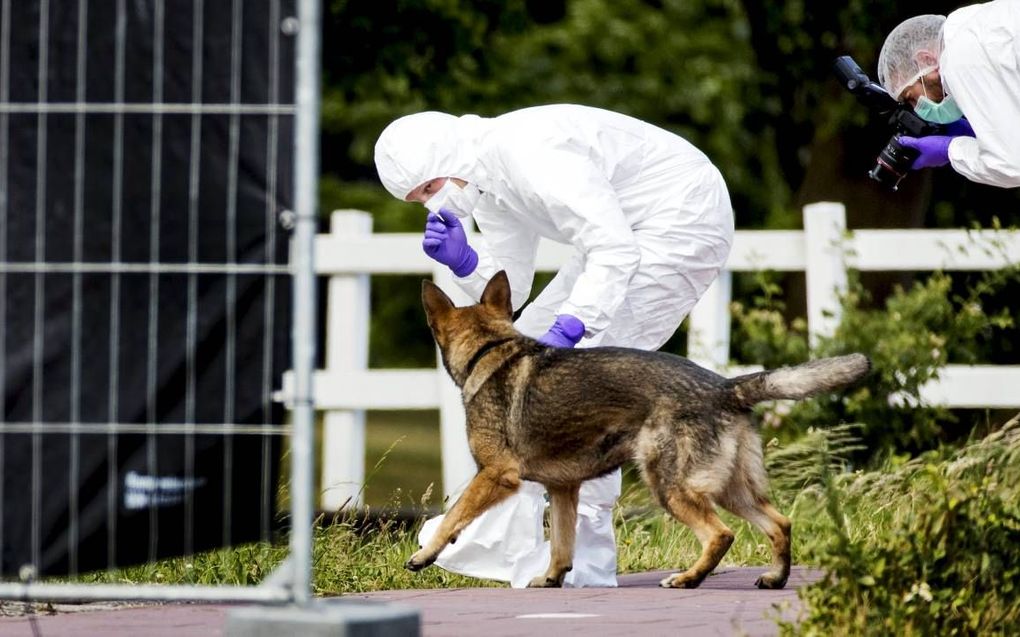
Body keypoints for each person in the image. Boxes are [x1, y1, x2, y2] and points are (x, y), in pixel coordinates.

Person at [374, 104, 735, 587]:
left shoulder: (529, 153)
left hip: (682, 220)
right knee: (522, 377)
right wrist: (464, 263)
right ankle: (508, 542)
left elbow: (614, 249)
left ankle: (586, 560)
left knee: (588, 389)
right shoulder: (487, 183)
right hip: (625, 235)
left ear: (448, 160)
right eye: (418, 199)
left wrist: (575, 330)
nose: (430, 206)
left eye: (429, 189)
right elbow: (511, 290)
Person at [876, 3, 1020, 188]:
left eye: (910, 97)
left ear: (926, 60)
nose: (917, 109)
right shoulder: (977, 25)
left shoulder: (959, 58)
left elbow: (1010, 165)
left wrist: (949, 149)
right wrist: (982, 135)